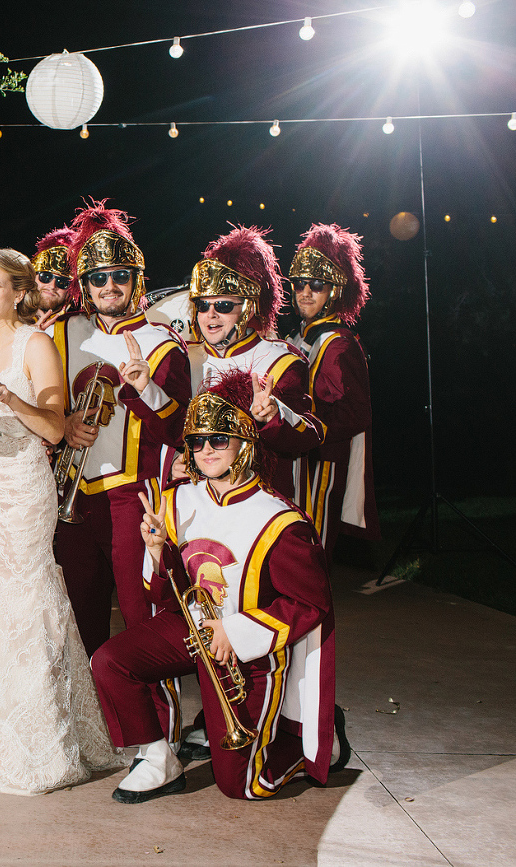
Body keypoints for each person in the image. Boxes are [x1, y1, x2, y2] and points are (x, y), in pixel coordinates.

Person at [91, 369, 344, 802]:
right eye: (197, 441)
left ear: (245, 444)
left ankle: (307, 745)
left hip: (249, 649)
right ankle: (157, 756)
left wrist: (238, 632)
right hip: (194, 629)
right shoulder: (173, 500)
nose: (206, 451)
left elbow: (310, 604)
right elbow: (165, 599)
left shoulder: (280, 519)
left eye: (219, 440)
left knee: (241, 786)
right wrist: (156, 553)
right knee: (111, 661)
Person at [0, 248, 123, 795]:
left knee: (27, 599)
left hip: (25, 487)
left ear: (19, 293)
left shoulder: (36, 343)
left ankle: (40, 735)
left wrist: (11, 401)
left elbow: (54, 427)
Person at [53, 202, 190, 748]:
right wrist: (63, 428)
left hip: (138, 498)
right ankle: (97, 729)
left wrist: (144, 387)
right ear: (84, 284)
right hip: (77, 502)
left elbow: (182, 424)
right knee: (80, 619)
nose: (109, 285)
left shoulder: (162, 340)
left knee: (141, 621)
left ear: (136, 280)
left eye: (119, 275)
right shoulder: (65, 335)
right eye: (99, 277)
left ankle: (156, 739)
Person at [181, 226, 322, 503]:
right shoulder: (184, 358)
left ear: (247, 307)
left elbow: (312, 434)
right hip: (198, 504)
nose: (210, 315)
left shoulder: (281, 360)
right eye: (203, 306)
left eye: (222, 306)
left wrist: (273, 414)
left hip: (261, 504)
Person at [284, 224, 379, 551]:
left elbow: (355, 415)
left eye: (317, 285)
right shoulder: (296, 336)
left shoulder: (339, 345)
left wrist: (308, 429)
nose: (305, 292)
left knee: (311, 554)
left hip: (321, 465)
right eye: (299, 284)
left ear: (335, 291)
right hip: (295, 459)